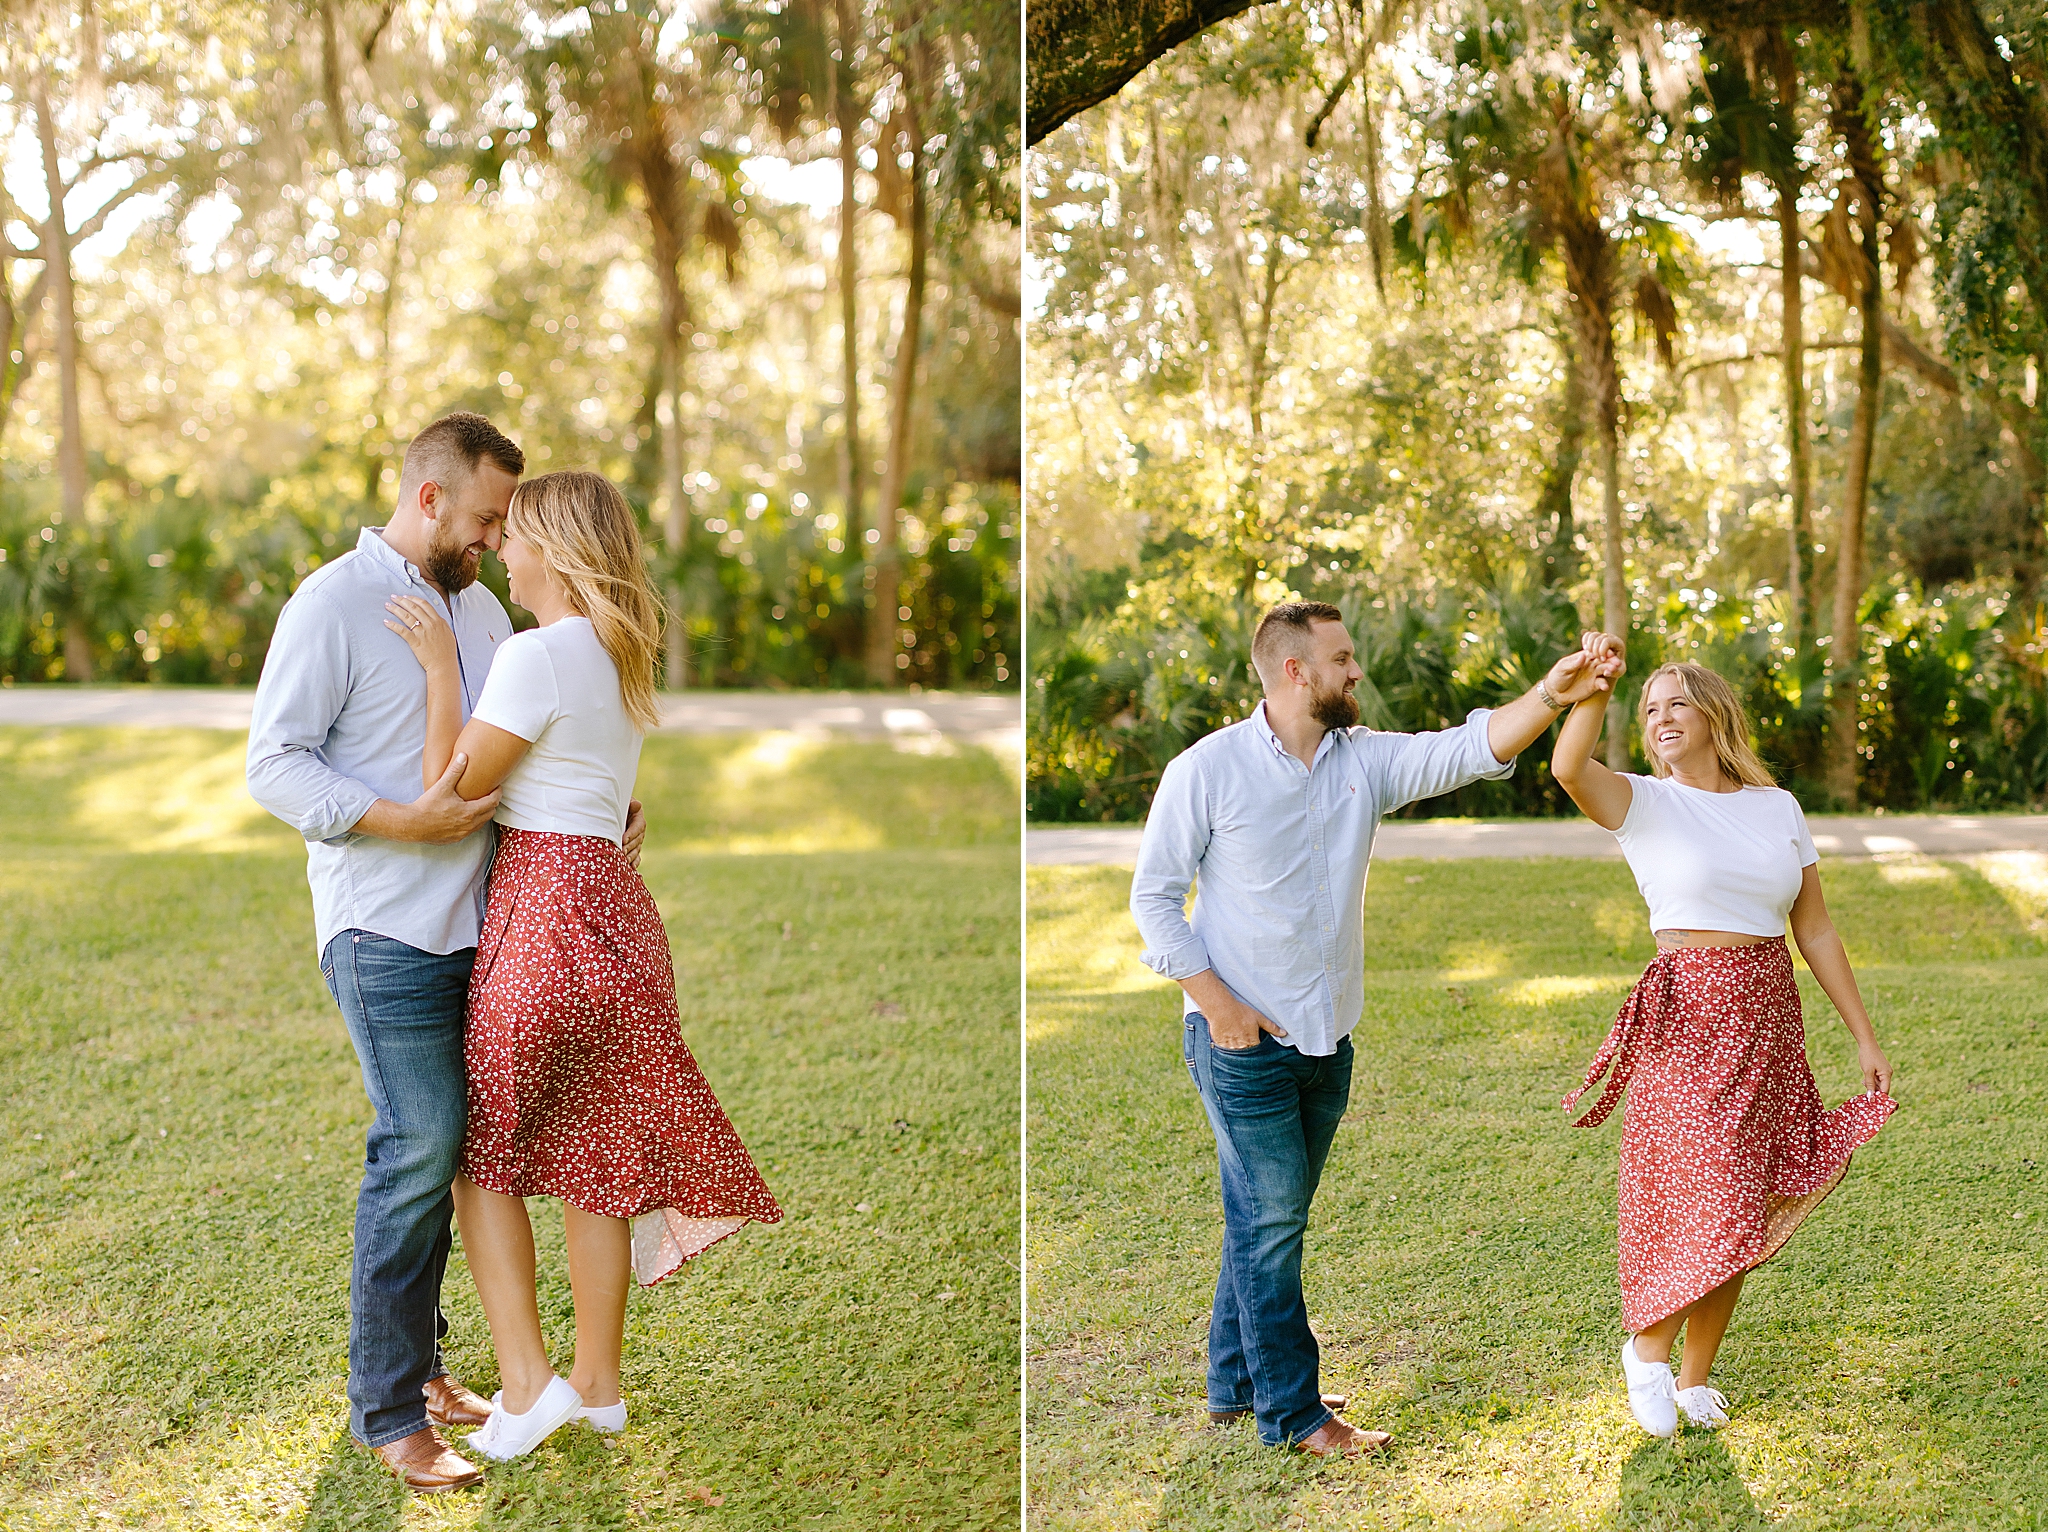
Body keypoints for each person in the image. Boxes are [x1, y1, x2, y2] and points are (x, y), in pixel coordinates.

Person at [248, 413, 645, 1493]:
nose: (490, 539)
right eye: (480, 519)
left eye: (503, 526)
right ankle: (390, 1407)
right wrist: (390, 817)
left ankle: (426, 1376)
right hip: (383, 925)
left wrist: (593, 812)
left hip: (495, 923)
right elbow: (271, 764)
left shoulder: (479, 611)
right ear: (429, 499)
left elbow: (511, 751)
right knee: (421, 1145)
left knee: (459, 1150)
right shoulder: (330, 602)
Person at [1128, 600, 1624, 1456]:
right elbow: (1152, 901)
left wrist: (1553, 692)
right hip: (1240, 1044)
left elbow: (1468, 748)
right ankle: (1295, 1413)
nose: (1356, 671)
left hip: (1328, 1039)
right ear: (1295, 672)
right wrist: (1219, 1006)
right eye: (1342, 658)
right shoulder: (1206, 771)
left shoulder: (1361, 763)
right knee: (1272, 1222)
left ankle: (1234, 1384)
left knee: (1262, 1216)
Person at [382, 468, 781, 1463]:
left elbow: (449, 793)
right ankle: (598, 1385)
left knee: (482, 1153)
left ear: (553, 549)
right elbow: (595, 796)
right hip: (616, 910)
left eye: (513, 535)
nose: (500, 550)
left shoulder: (535, 654)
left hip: (546, 915)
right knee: (598, 1154)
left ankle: (528, 1387)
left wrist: (440, 667)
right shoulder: (617, 653)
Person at [1551, 650, 1896, 1437]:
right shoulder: (1643, 803)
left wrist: (1864, 1036)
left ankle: (1695, 1380)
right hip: (1690, 1016)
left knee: (1750, 1199)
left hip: (1769, 1015)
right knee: (1712, 1191)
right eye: (1648, 711)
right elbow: (1570, 765)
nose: (1660, 719)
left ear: (1713, 714)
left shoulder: (1777, 807)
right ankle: (1647, 1350)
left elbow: (1814, 928)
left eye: (1675, 704)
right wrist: (1594, 694)